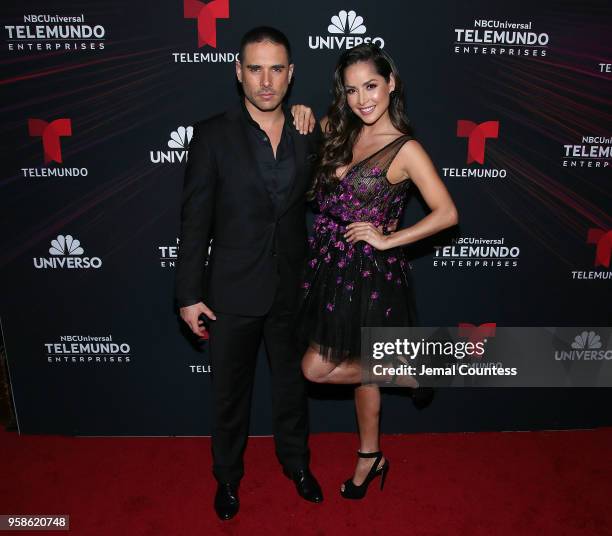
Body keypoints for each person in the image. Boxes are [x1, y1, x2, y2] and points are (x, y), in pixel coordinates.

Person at [296, 43, 459, 499]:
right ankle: (370, 456)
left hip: (369, 272)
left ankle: (409, 372)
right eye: (351, 90)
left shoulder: (405, 149)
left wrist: (388, 239)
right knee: (361, 367)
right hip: (327, 264)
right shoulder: (336, 129)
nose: (362, 99)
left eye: (371, 86)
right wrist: (302, 114)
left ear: (391, 84)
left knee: (316, 368)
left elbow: (446, 213)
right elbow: (297, 137)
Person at [174, 27, 322, 521]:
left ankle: (297, 465)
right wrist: (188, 293)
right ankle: (228, 478)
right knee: (229, 395)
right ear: (238, 73)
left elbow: (337, 186)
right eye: (255, 68)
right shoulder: (212, 135)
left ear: (291, 74)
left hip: (291, 288)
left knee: (291, 387)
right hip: (231, 290)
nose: (265, 81)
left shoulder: (308, 131)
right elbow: (194, 220)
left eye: (276, 68)